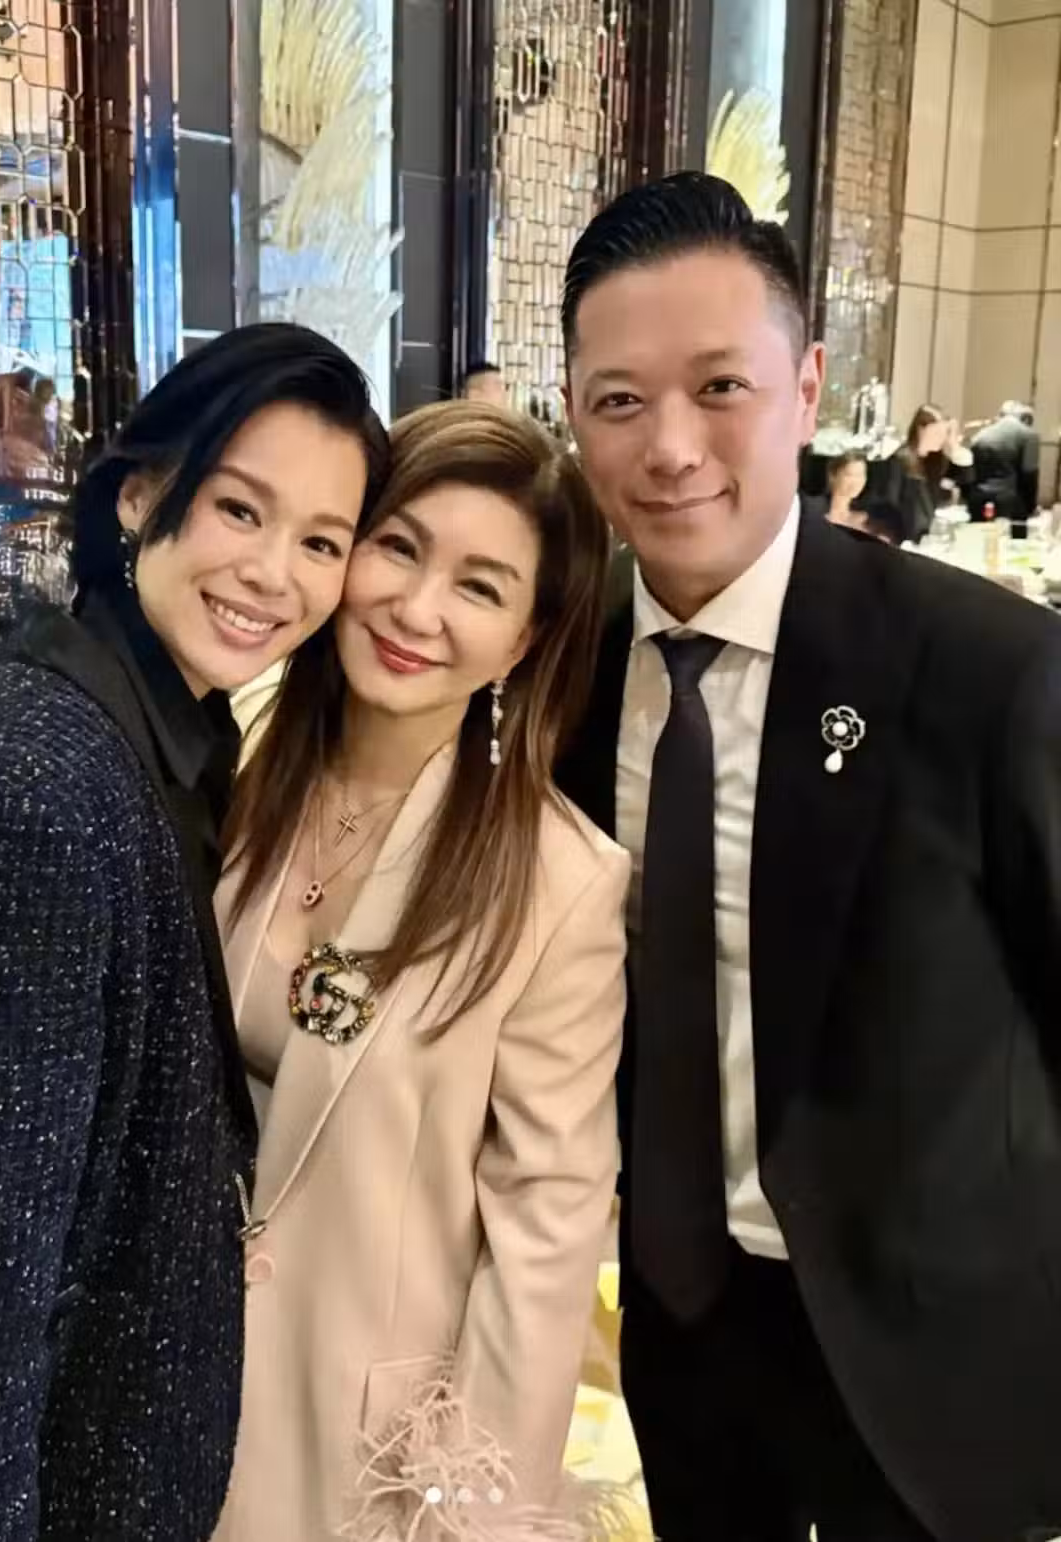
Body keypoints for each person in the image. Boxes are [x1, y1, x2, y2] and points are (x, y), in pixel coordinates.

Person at [557, 171, 1061, 1542]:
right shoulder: (563, 673)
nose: (672, 448)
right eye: (620, 399)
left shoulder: (987, 669)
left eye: (720, 385)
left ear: (807, 385)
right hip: (682, 1319)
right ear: (575, 415)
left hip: (940, 1355)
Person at [0, 323, 389, 1542]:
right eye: (240, 509)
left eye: (322, 542)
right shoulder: (21, 779)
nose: (275, 574)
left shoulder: (163, 741)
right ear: (141, 494)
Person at [213, 400, 628, 1541]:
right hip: (159, 1385)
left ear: (527, 640)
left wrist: (474, 1513)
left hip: (364, 1447)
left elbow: (545, 1230)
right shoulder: (231, 770)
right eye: (398, 548)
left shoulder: (557, 881)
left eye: (480, 588)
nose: (416, 608)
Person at [882, 402, 971, 544]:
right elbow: (890, 505)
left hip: (928, 538)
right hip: (903, 540)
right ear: (921, 430)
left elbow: (965, 480)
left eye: (944, 433)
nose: (941, 438)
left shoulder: (936, 461)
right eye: (937, 433)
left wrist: (954, 446)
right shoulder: (899, 461)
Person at [967, 399, 1040, 537]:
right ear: (1025, 418)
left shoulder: (980, 435)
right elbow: (1030, 474)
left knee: (978, 540)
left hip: (978, 498)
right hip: (1010, 503)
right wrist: (1031, 507)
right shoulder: (1029, 435)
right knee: (1013, 544)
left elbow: (970, 472)